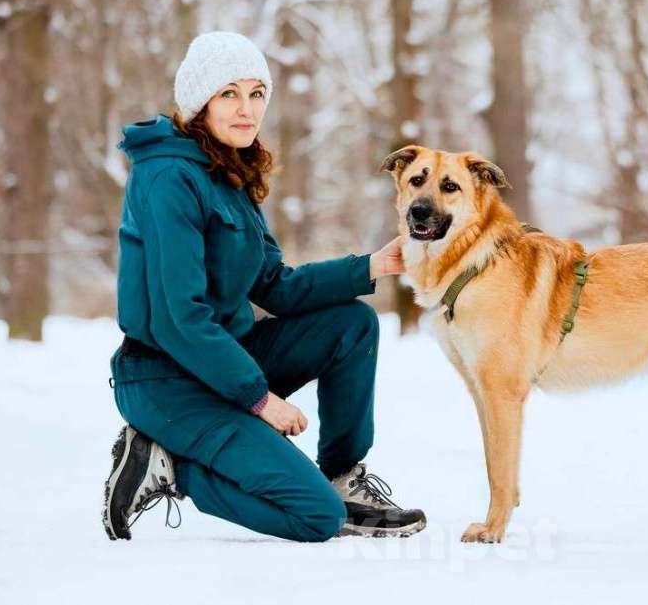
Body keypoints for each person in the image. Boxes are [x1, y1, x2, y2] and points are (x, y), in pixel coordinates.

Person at [101, 31, 425, 542]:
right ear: (200, 102)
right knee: (316, 517)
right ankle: (169, 465)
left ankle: (342, 477)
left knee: (353, 324)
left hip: (220, 364)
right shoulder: (167, 178)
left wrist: (373, 265)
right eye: (229, 93)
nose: (246, 108)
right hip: (166, 381)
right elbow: (178, 318)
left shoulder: (226, 172)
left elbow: (275, 286)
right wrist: (261, 400)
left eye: (256, 93)